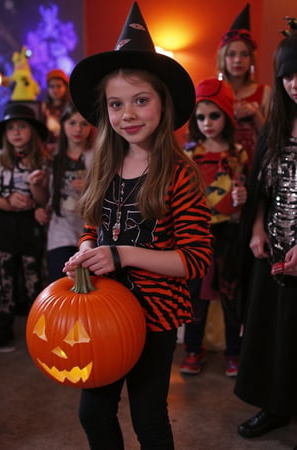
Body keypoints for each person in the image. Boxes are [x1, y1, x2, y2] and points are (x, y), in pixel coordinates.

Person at [62, 2, 213, 449]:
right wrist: (87, 252)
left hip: (155, 317)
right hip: (101, 313)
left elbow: (194, 259)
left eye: (140, 100)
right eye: (116, 104)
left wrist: (119, 254)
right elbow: (93, 225)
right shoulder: (104, 166)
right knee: (93, 413)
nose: (127, 114)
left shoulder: (180, 175)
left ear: (162, 105)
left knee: (149, 418)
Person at [234, 20, 297, 439]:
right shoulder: (275, 128)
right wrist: (256, 230)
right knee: (272, 333)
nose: (295, 84)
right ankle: (275, 406)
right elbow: (261, 188)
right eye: (288, 75)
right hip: (272, 252)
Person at [180, 78, 248, 377]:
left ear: (227, 115)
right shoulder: (189, 153)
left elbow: (245, 190)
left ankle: (235, 351)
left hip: (230, 234)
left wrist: (242, 197)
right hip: (198, 234)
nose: (207, 123)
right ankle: (194, 349)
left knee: (232, 294)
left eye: (214, 115)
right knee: (196, 295)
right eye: (201, 117)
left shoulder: (237, 153)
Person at [0, 103, 50, 351]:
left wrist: (36, 190)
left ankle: (39, 332)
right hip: (4, 224)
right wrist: (6, 202)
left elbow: (43, 199)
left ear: (33, 131)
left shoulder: (42, 160)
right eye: (11, 128)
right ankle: (2, 331)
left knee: (33, 278)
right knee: (4, 279)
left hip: (30, 225)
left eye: (22, 127)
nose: (16, 132)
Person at [35, 102, 94, 283]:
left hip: (91, 231)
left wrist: (90, 187)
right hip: (60, 232)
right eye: (72, 123)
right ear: (63, 125)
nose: (78, 129)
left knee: (90, 289)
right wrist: (35, 187)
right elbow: (45, 198)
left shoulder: (97, 156)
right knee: (61, 285)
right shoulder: (51, 158)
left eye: (84, 124)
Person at [216, 3, 271, 170]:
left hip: (256, 166)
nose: (238, 60)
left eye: (244, 54)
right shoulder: (213, 91)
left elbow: (272, 138)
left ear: (251, 60)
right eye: (231, 55)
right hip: (220, 169)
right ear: (223, 59)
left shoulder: (264, 92)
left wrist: (255, 114)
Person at [41, 68, 70, 154]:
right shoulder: (43, 108)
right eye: (52, 86)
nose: (55, 90)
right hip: (47, 151)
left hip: (68, 150)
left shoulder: (71, 107)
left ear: (65, 87)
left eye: (59, 86)